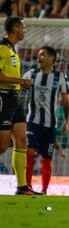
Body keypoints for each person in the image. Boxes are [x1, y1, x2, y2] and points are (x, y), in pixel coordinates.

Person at [23, 46, 69, 195]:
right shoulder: (30, 74)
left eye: (43, 55)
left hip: (50, 124)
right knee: (29, 150)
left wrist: (66, 121)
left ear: (52, 58)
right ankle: (27, 187)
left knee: (47, 157)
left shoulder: (61, 77)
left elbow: (66, 102)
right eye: (38, 55)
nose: (39, 57)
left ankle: (44, 190)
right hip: (33, 121)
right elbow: (17, 90)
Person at [0, 16, 38, 195]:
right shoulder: (2, 48)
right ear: (15, 29)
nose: (25, 30)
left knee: (22, 140)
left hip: (15, 98)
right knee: (2, 145)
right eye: (23, 27)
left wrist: (19, 84)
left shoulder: (12, 50)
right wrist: (20, 80)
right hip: (3, 98)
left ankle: (22, 187)